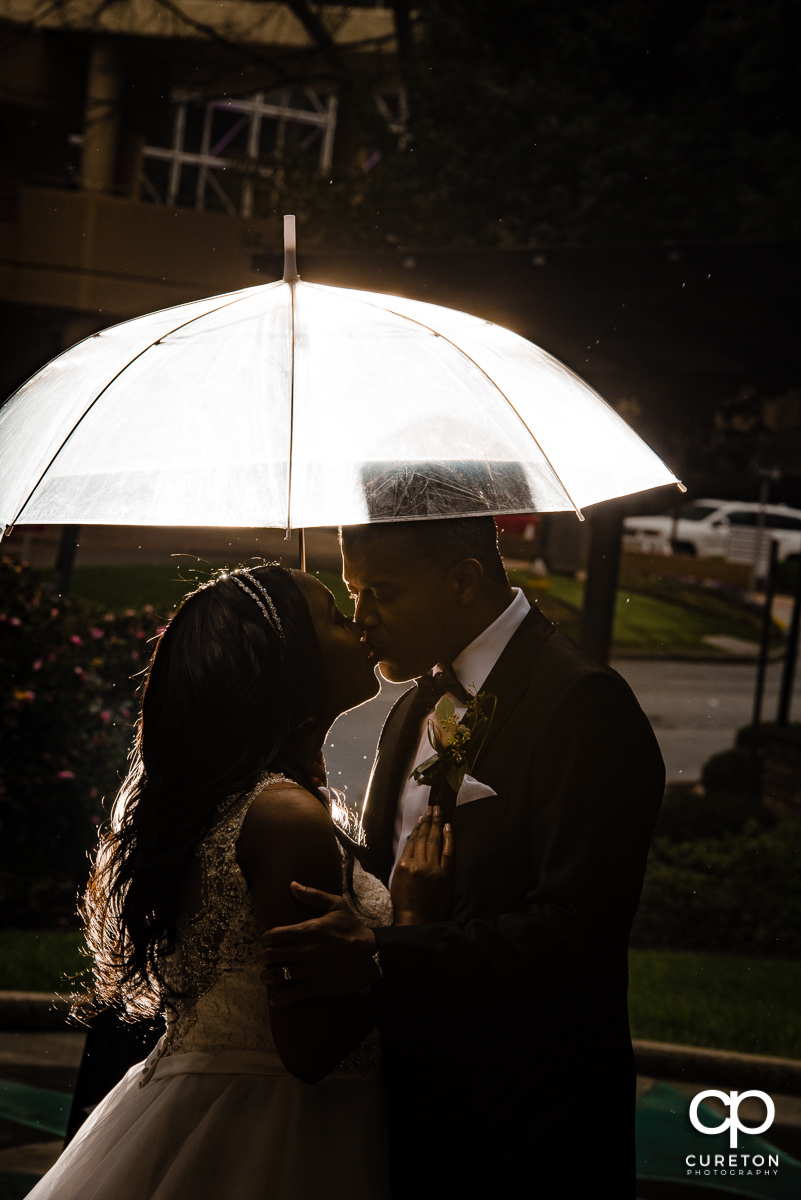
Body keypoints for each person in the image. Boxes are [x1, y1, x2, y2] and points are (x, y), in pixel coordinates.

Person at [261, 516, 665, 1199]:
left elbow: (576, 937)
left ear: (462, 580)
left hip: (524, 1133)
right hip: (407, 1116)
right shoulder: (417, 702)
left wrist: (382, 952)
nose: (362, 619)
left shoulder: (582, 704)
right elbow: (387, 876)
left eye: (380, 591)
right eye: (352, 593)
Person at [28, 564, 453, 1200]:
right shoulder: (285, 818)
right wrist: (414, 926)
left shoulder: (231, 802)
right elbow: (309, 1049)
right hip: (273, 1135)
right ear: (284, 664)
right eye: (334, 617)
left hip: (195, 1109)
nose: (358, 624)